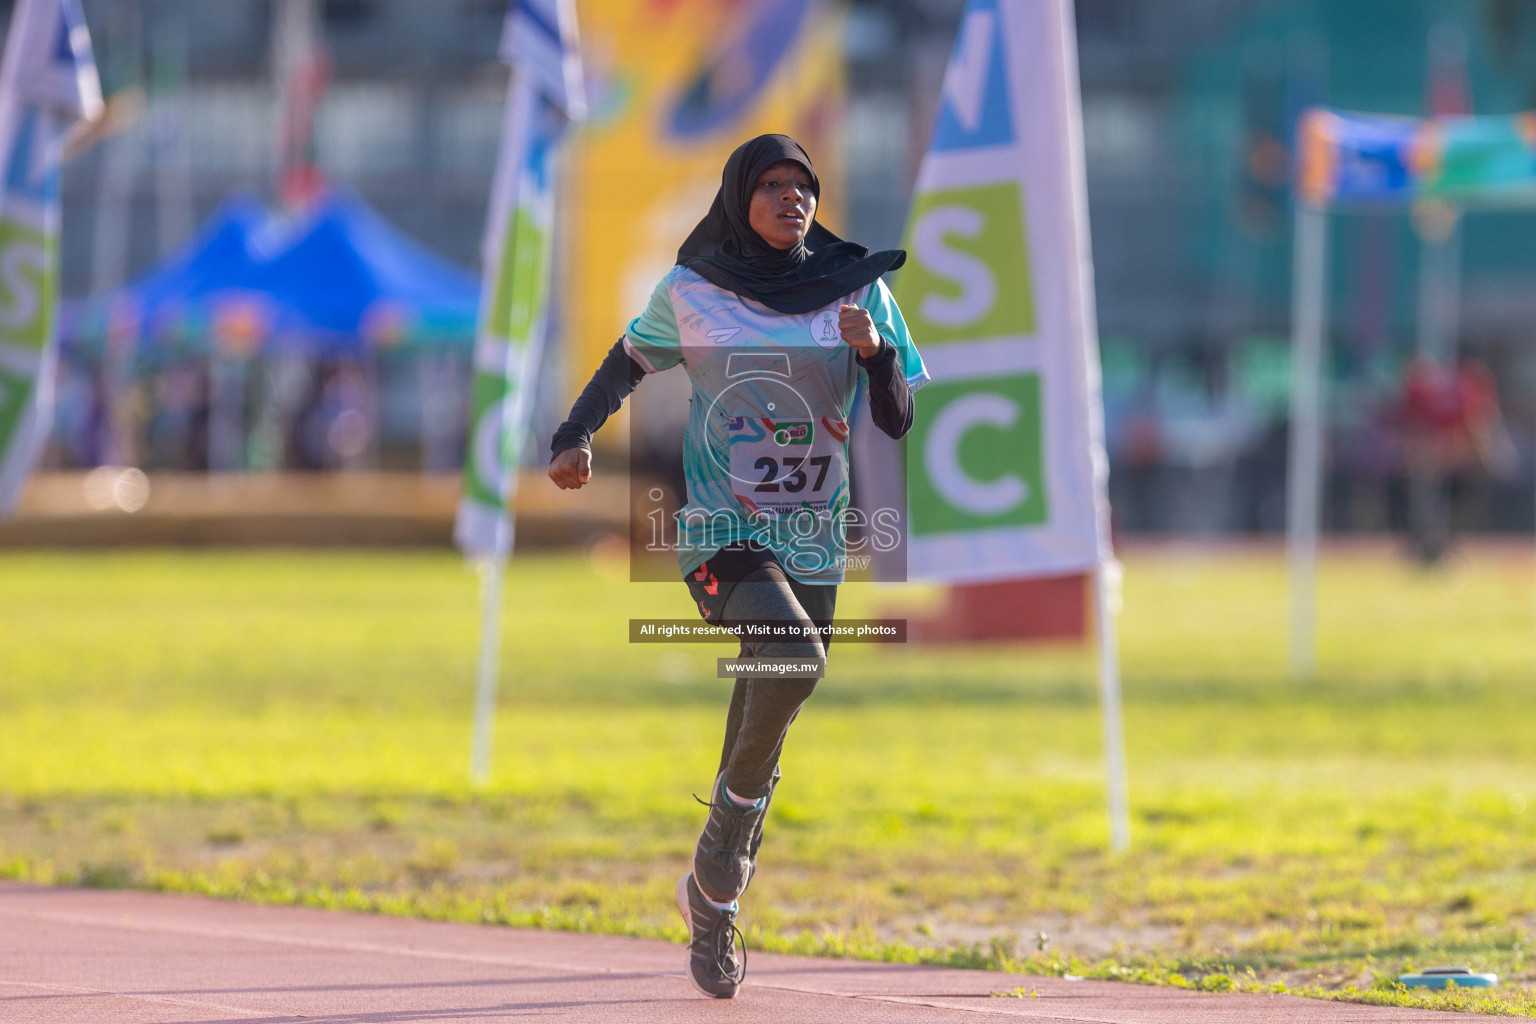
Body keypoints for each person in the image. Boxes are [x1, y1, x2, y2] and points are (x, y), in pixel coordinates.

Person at [548, 134, 927, 998]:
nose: (792, 198)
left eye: (804, 186)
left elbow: (897, 419)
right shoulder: (694, 290)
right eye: (773, 186)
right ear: (737, 198)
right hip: (720, 531)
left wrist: (873, 355)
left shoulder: (859, 288)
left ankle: (712, 900)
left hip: (817, 541)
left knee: (772, 697)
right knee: (794, 657)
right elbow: (627, 362)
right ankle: (724, 849)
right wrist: (574, 435)